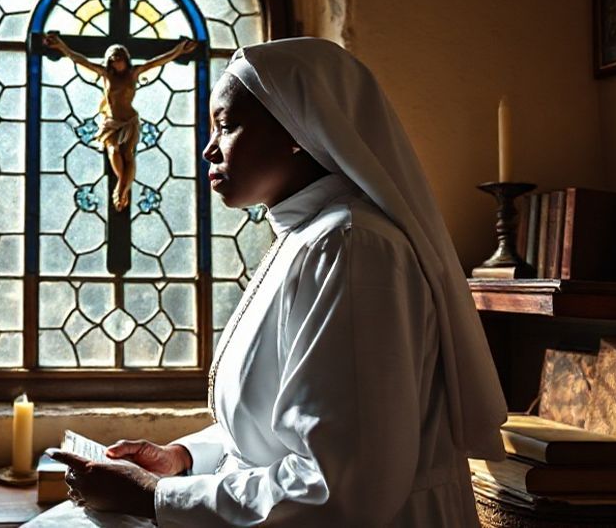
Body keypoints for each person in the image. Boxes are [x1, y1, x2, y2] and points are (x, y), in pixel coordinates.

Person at [50, 37, 507, 526]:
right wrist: (182, 458)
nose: (208, 149)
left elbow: (338, 486)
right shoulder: (307, 238)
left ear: (297, 127)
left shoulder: (351, 248)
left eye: (225, 126)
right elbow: (274, 432)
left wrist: (155, 498)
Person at [44, 33, 198, 211]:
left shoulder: (134, 73)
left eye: (120, 58)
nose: (117, 62)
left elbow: (158, 61)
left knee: (128, 155)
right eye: (113, 59)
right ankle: (121, 186)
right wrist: (62, 47)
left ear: (126, 60)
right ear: (109, 61)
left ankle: (122, 190)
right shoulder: (106, 75)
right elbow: (81, 60)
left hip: (129, 121)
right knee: (112, 149)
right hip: (111, 122)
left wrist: (179, 50)